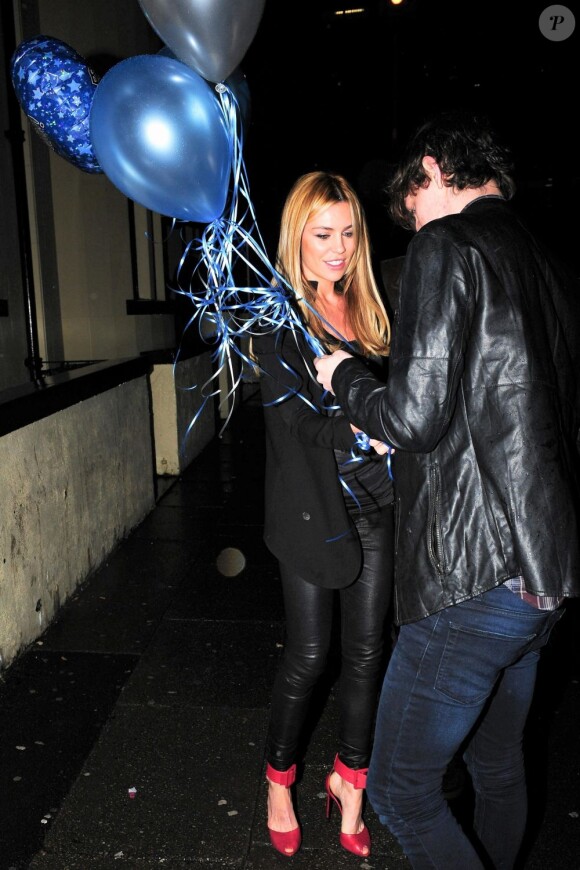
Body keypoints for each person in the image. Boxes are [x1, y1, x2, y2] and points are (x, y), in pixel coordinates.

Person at [314, 111, 580, 869]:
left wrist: (348, 378)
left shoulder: (448, 244)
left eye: (412, 205)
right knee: (499, 765)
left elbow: (413, 418)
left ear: (431, 171)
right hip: (545, 580)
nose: (412, 225)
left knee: (401, 790)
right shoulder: (551, 264)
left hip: (475, 579)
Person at [251, 170, 394, 858]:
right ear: (296, 237)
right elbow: (291, 425)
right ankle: (279, 780)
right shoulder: (277, 316)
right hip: (310, 508)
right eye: (322, 235)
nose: (337, 250)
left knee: (367, 654)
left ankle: (350, 782)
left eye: (347, 234)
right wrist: (363, 430)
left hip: (377, 502)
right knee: (310, 656)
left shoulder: (368, 308)